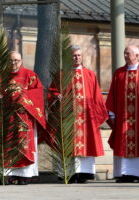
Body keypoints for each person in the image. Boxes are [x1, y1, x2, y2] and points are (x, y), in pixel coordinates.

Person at [48, 45, 108, 183]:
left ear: (82, 57)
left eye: (79, 55)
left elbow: (96, 96)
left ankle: (84, 173)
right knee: (68, 144)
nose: (77, 58)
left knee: (86, 143)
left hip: (86, 117)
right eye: (74, 55)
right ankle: (68, 173)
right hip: (68, 117)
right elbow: (52, 91)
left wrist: (97, 114)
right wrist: (56, 96)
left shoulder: (90, 74)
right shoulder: (62, 74)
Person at [0, 51, 46, 185]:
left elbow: (37, 94)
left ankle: (23, 176)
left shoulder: (30, 75)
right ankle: (4, 175)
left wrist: (22, 99)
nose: (13, 63)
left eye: (16, 60)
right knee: (3, 145)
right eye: (11, 61)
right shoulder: (0, 77)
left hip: (23, 118)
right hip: (4, 119)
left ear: (21, 61)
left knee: (23, 146)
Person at [106, 45, 139, 183]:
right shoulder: (119, 73)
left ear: (137, 56)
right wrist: (112, 113)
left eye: (128, 53)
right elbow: (113, 94)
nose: (125, 56)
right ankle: (125, 174)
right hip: (124, 117)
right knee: (124, 143)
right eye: (124, 53)